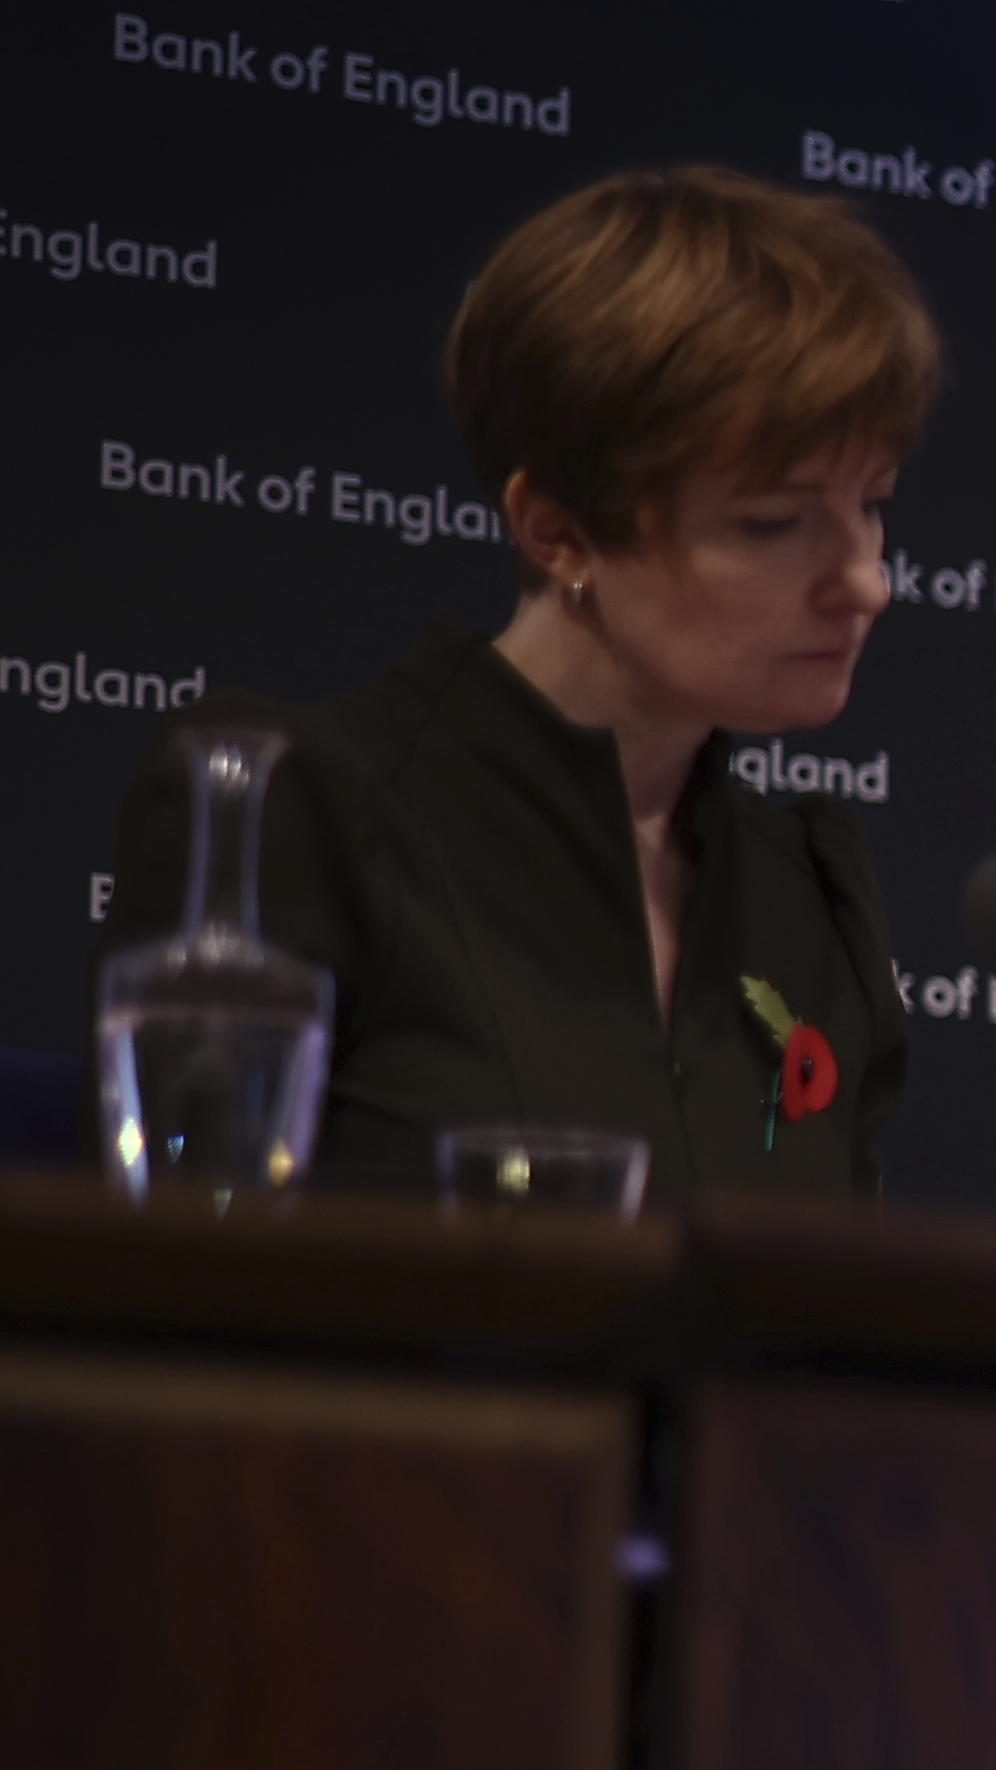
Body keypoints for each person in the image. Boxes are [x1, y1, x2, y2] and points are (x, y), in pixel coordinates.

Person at [97, 168, 938, 1200]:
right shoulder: (296, 810)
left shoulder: (812, 889)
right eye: (775, 521)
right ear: (557, 529)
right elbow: (187, 1281)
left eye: (876, 504)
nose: (867, 582)